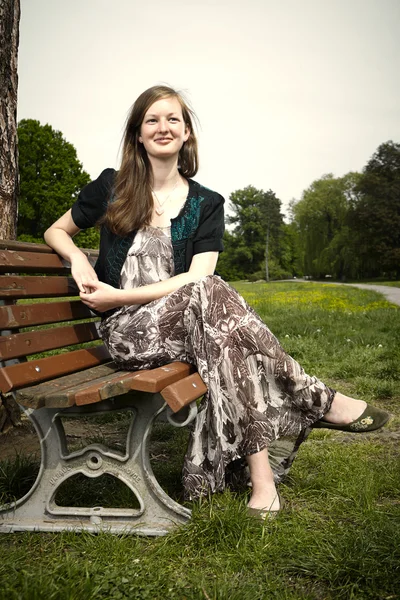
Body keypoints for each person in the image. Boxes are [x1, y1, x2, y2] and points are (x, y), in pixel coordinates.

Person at [44, 85, 389, 519]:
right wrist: (77, 259)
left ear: (187, 133)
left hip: (188, 320)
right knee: (214, 303)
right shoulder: (112, 186)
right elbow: (55, 231)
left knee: (219, 323)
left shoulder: (207, 203)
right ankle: (316, 401)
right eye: (152, 119)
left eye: (173, 119)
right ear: (137, 134)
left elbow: (199, 276)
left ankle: (263, 482)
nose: (163, 127)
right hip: (127, 332)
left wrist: (121, 292)